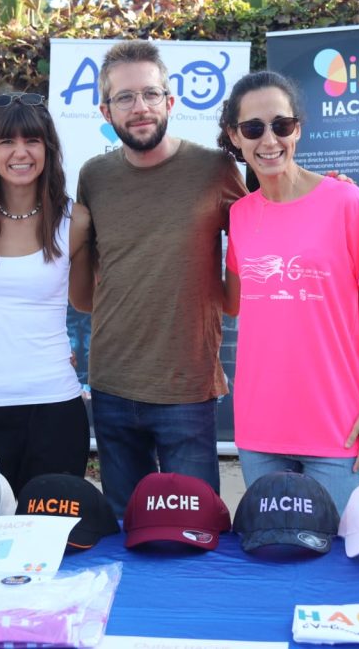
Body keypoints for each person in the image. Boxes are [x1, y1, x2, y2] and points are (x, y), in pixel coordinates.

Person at [76, 41, 249, 517]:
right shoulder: (94, 176)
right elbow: (87, 284)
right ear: (105, 109)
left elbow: (270, 224)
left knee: (195, 528)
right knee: (124, 526)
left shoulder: (214, 168)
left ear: (170, 102)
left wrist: (324, 192)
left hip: (186, 388)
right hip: (111, 384)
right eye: (125, 98)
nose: (140, 108)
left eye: (150, 94)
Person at [217, 71, 359, 516]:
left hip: (337, 429)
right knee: (272, 563)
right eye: (253, 129)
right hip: (260, 431)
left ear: (298, 129)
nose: (268, 140)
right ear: (235, 137)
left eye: (281, 125)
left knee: (336, 570)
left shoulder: (346, 202)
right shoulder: (238, 215)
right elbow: (233, 302)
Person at [0, 92, 93, 495]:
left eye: (31, 141)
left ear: (47, 148)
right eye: (6, 142)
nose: (20, 153)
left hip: (55, 405)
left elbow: (86, 300)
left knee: (52, 542)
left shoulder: (75, 220)